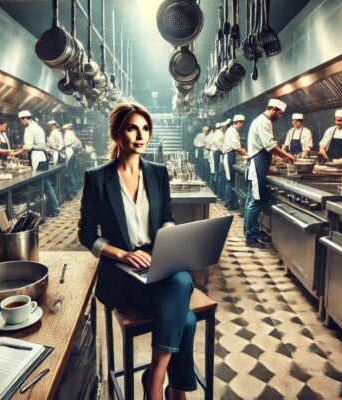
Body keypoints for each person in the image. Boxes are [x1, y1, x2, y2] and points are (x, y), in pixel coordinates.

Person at [78, 103, 196, 400]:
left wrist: (168, 240)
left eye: (145, 128)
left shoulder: (158, 173)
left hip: (156, 262)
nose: (140, 135)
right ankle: (173, 388)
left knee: (181, 279)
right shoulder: (97, 178)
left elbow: (167, 217)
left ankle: (155, 380)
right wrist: (122, 255)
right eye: (132, 128)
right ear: (118, 135)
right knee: (187, 318)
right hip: (121, 273)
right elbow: (87, 234)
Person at [245, 99, 296, 247]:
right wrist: (288, 156)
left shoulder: (261, 120)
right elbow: (269, 145)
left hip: (257, 164)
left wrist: (280, 157)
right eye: (279, 113)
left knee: (251, 200)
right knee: (255, 202)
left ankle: (250, 232)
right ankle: (251, 237)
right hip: (257, 164)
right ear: (273, 108)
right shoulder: (264, 121)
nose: (280, 116)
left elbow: (267, 146)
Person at [17, 110, 60, 217]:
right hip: (42, 156)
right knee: (45, 183)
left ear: (25, 119)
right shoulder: (38, 127)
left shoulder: (29, 129)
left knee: (40, 184)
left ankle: (43, 211)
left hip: (36, 156)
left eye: (21, 121)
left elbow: (27, 147)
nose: (21, 123)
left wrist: (15, 153)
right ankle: (53, 207)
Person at [222, 115, 247, 210]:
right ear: (238, 122)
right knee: (230, 181)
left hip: (230, 156)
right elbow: (237, 147)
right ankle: (229, 204)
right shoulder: (232, 131)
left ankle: (228, 202)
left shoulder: (231, 130)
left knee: (230, 180)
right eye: (241, 124)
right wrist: (247, 154)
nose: (242, 126)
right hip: (229, 156)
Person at [216, 119, 230, 198]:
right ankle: (220, 194)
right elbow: (218, 143)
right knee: (221, 176)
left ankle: (220, 193)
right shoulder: (220, 134)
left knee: (220, 176)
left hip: (221, 154)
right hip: (220, 154)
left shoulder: (220, 133)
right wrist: (222, 149)